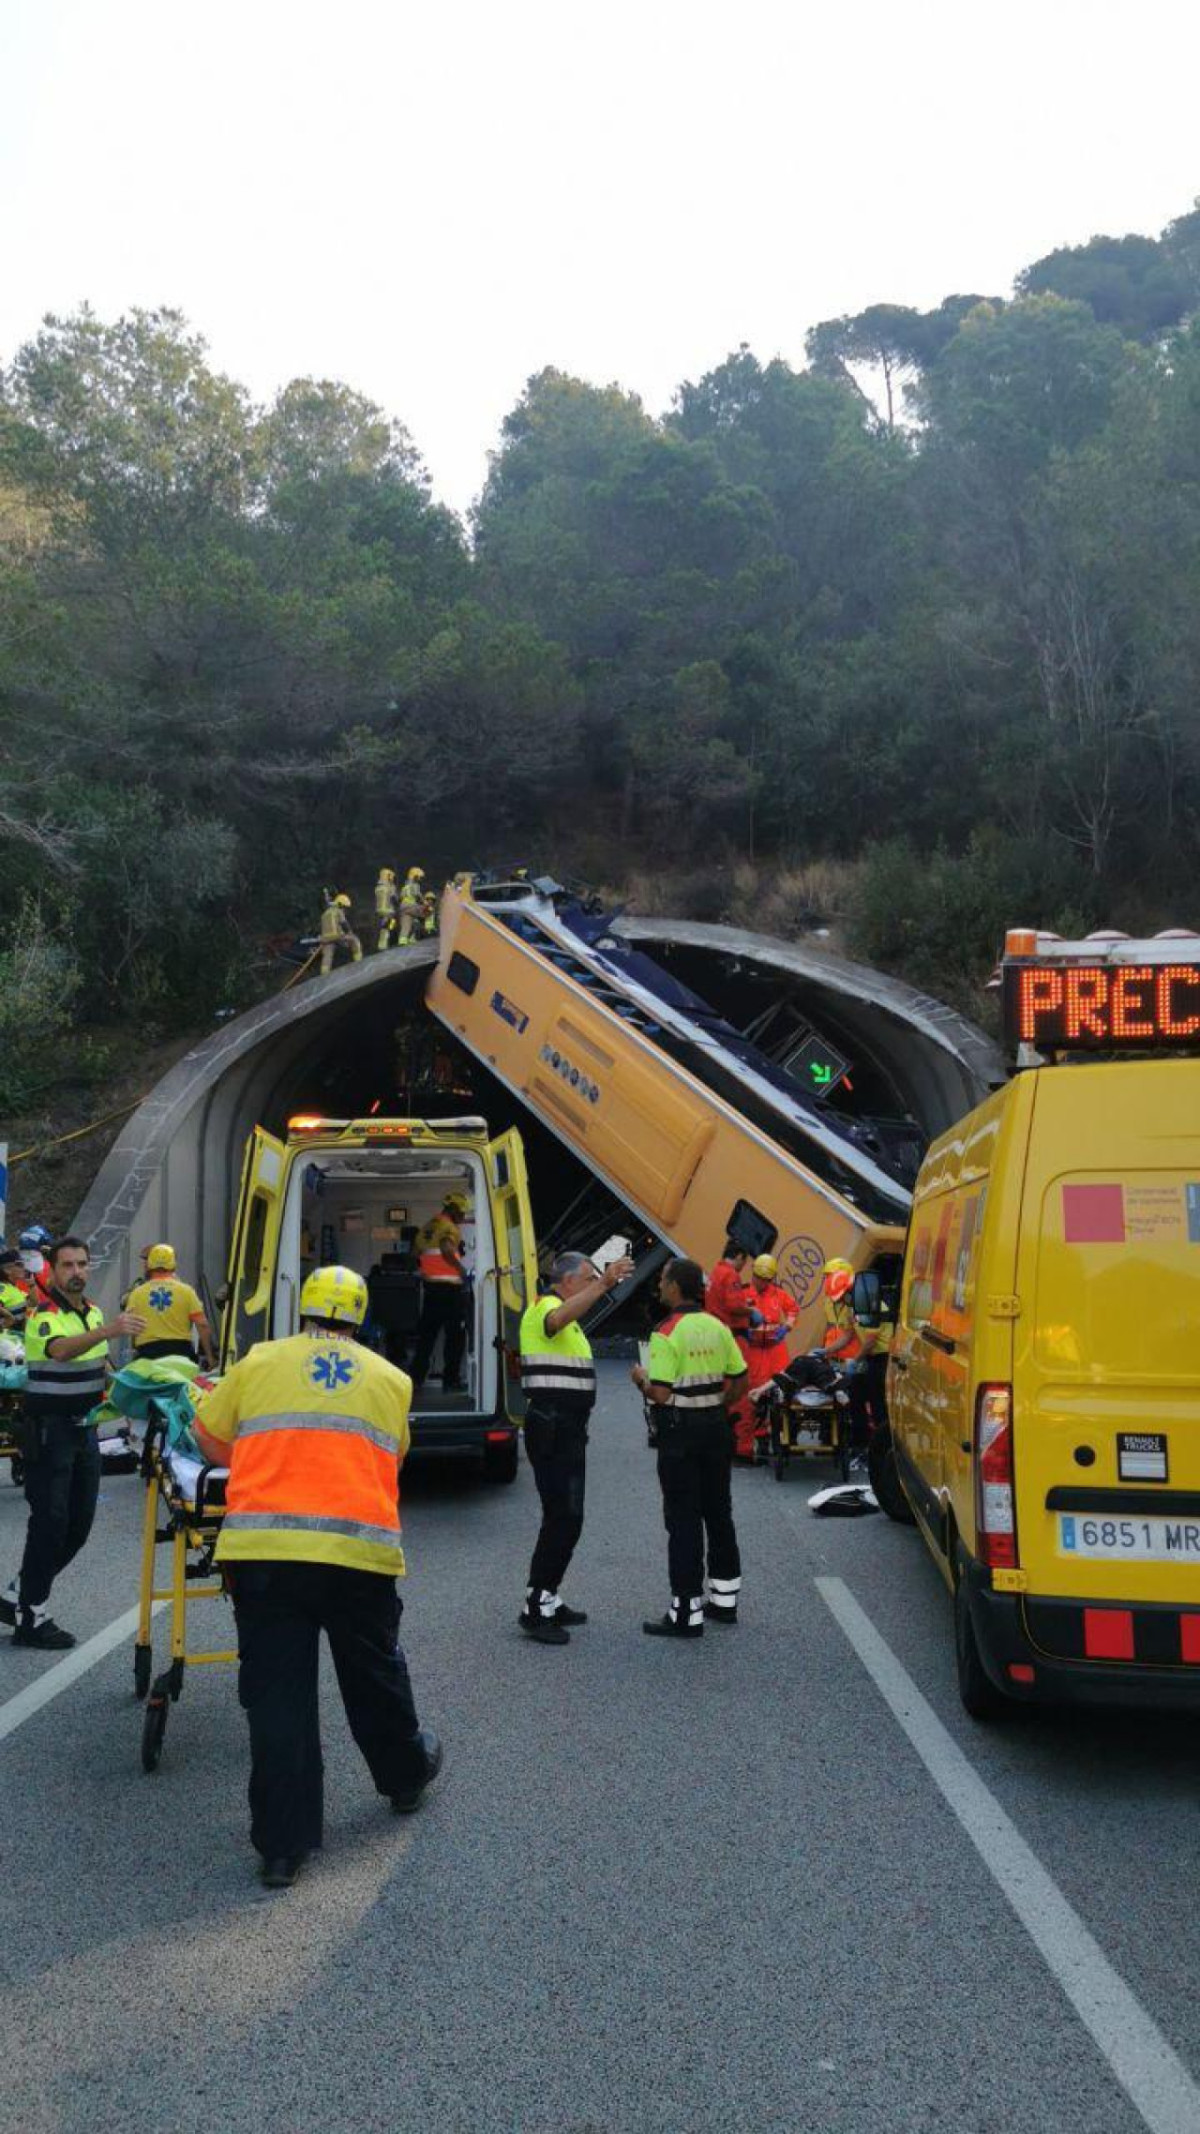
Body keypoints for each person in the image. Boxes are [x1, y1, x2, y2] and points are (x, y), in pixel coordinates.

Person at [192, 1264, 442, 1890]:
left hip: (266, 1554)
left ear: (302, 1309)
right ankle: (405, 1777)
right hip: (358, 1558)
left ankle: (283, 1847)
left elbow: (209, 1437)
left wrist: (262, 1458)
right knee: (373, 1674)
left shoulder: (258, 1362)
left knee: (278, 1699)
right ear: (361, 1318)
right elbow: (397, 1454)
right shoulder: (391, 1380)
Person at [0, 1236, 145, 1649]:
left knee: (78, 1526)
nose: (77, 1272)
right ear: (54, 1270)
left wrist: (137, 1389)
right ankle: (32, 1616)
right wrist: (111, 1329)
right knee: (50, 1522)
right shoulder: (43, 1314)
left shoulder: (93, 1312)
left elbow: (98, 1366)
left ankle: (18, 1594)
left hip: (85, 1431)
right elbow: (61, 1351)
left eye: (82, 1264)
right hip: (50, 1432)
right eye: (68, 1265)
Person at [518, 1247, 633, 1645]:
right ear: (567, 1282)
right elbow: (556, 1319)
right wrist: (604, 1283)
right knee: (564, 1517)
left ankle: (548, 1596)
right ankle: (536, 1605)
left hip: (564, 1426)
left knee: (564, 1516)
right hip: (553, 1425)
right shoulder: (546, 1306)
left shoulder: (566, 1313)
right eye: (586, 1279)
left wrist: (598, 1285)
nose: (591, 1287)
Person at [632, 1257, 747, 1638]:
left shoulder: (666, 1332)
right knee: (719, 1512)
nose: (659, 1286)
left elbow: (660, 1393)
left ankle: (686, 1611)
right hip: (715, 1427)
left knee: (683, 1518)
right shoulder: (718, 1326)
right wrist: (715, 1404)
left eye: (663, 1280)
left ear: (675, 1287)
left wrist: (640, 1379)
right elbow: (739, 1380)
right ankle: (725, 1601)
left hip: (680, 1434)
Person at [410, 1191, 471, 1391]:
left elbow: (415, 1253)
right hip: (450, 1292)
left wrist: (426, 1270)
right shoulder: (448, 1228)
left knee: (426, 1338)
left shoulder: (429, 1226)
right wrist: (462, 1271)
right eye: (461, 1212)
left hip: (430, 1291)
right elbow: (446, 1248)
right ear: (453, 1209)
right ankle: (450, 1380)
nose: (462, 1217)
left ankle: (416, 1379)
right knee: (455, 1338)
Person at [739, 1253, 799, 1456]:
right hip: (754, 1350)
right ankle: (761, 1439)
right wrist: (742, 1330)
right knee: (755, 1397)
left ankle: (786, 1437)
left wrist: (787, 1327)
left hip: (775, 1350)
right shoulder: (743, 1293)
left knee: (783, 1391)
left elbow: (793, 1309)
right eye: (759, 1277)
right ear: (753, 1273)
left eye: (766, 1279)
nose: (762, 1282)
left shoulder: (778, 1294)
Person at [123, 1243, 216, 1367]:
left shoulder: (136, 1293)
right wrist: (210, 1358)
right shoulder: (187, 1291)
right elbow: (202, 1325)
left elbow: (132, 1327)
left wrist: (136, 1353)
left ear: (149, 1264)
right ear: (173, 1264)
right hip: (181, 1358)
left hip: (148, 1359)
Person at [705, 1238, 757, 1459]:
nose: (743, 1267)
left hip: (717, 1337)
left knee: (721, 1388)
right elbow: (734, 1305)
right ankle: (742, 1449)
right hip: (733, 1338)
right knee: (741, 1390)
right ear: (738, 1256)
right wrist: (750, 1311)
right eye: (743, 1262)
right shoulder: (730, 1275)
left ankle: (720, 1442)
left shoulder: (715, 1272)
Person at [318, 892, 362, 977]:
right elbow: (344, 923)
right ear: (340, 905)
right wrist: (350, 933)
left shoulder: (324, 914)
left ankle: (324, 974)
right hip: (338, 936)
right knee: (355, 940)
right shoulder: (338, 911)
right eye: (344, 907)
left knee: (327, 955)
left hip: (325, 938)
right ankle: (359, 961)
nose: (344, 909)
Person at [0, 1248, 29, 1336]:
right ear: (7, 1270)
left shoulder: (12, 1287)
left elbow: (33, 1302)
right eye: (20, 1265)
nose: (24, 1267)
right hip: (6, 1342)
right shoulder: (2, 1287)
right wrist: (9, 1318)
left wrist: (32, 1285)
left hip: (16, 1339)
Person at [398, 867, 425, 944]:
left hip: (403, 907)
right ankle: (413, 937)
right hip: (411, 906)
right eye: (419, 876)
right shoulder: (415, 885)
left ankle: (403, 939)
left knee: (406, 923)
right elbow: (418, 896)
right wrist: (424, 903)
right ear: (415, 876)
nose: (420, 878)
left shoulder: (405, 886)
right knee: (426, 912)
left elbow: (400, 897)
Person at [374, 867, 398, 952]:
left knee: (383, 927)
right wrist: (398, 904)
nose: (392, 878)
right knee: (388, 927)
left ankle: (382, 944)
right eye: (391, 876)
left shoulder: (378, 887)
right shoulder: (390, 887)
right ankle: (383, 946)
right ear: (387, 876)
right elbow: (394, 899)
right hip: (388, 911)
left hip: (379, 911)